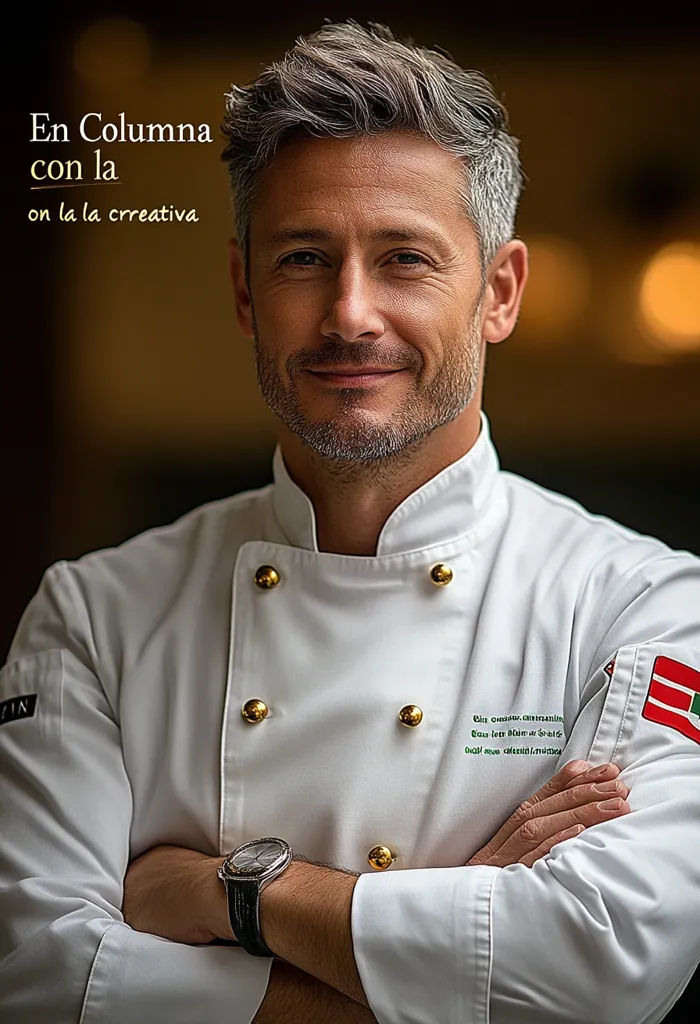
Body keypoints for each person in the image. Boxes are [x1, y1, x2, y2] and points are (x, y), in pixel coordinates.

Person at [1, 19, 699, 1024]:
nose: (351, 314)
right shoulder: (96, 617)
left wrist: (232, 894)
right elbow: (35, 978)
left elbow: (607, 960)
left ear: (497, 292)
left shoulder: (638, 605)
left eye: (405, 258)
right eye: (302, 258)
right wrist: (459, 944)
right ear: (245, 291)